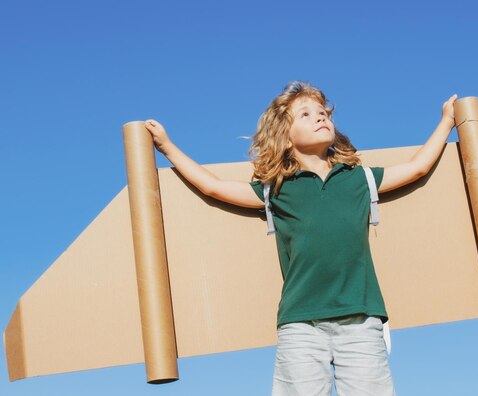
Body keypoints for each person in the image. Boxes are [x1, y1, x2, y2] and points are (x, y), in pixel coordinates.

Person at [145, 81, 457, 396]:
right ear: (286, 135)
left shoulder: (359, 178)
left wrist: (446, 120)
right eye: (306, 114)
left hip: (361, 319)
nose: (320, 118)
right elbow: (213, 187)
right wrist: (167, 146)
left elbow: (418, 168)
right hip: (301, 323)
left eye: (323, 113)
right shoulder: (276, 189)